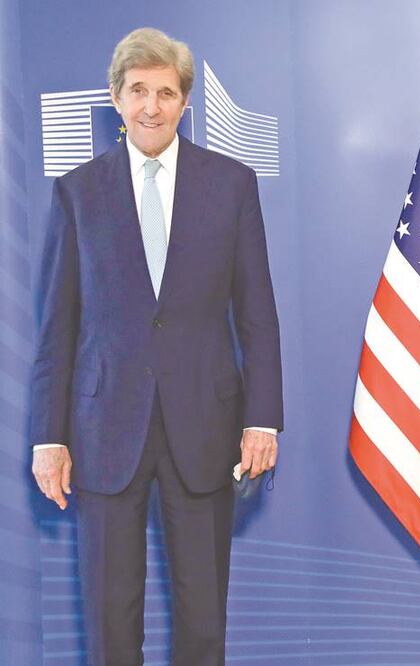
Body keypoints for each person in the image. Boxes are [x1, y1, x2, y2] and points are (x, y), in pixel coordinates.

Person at [29, 28, 283, 665]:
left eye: (165, 93)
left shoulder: (231, 183)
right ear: (116, 99)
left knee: (203, 617)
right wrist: (48, 436)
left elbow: (258, 315)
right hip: (103, 426)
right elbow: (57, 327)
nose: (151, 106)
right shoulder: (77, 192)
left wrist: (263, 418)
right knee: (111, 622)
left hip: (205, 423)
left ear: (184, 102)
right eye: (137, 90)